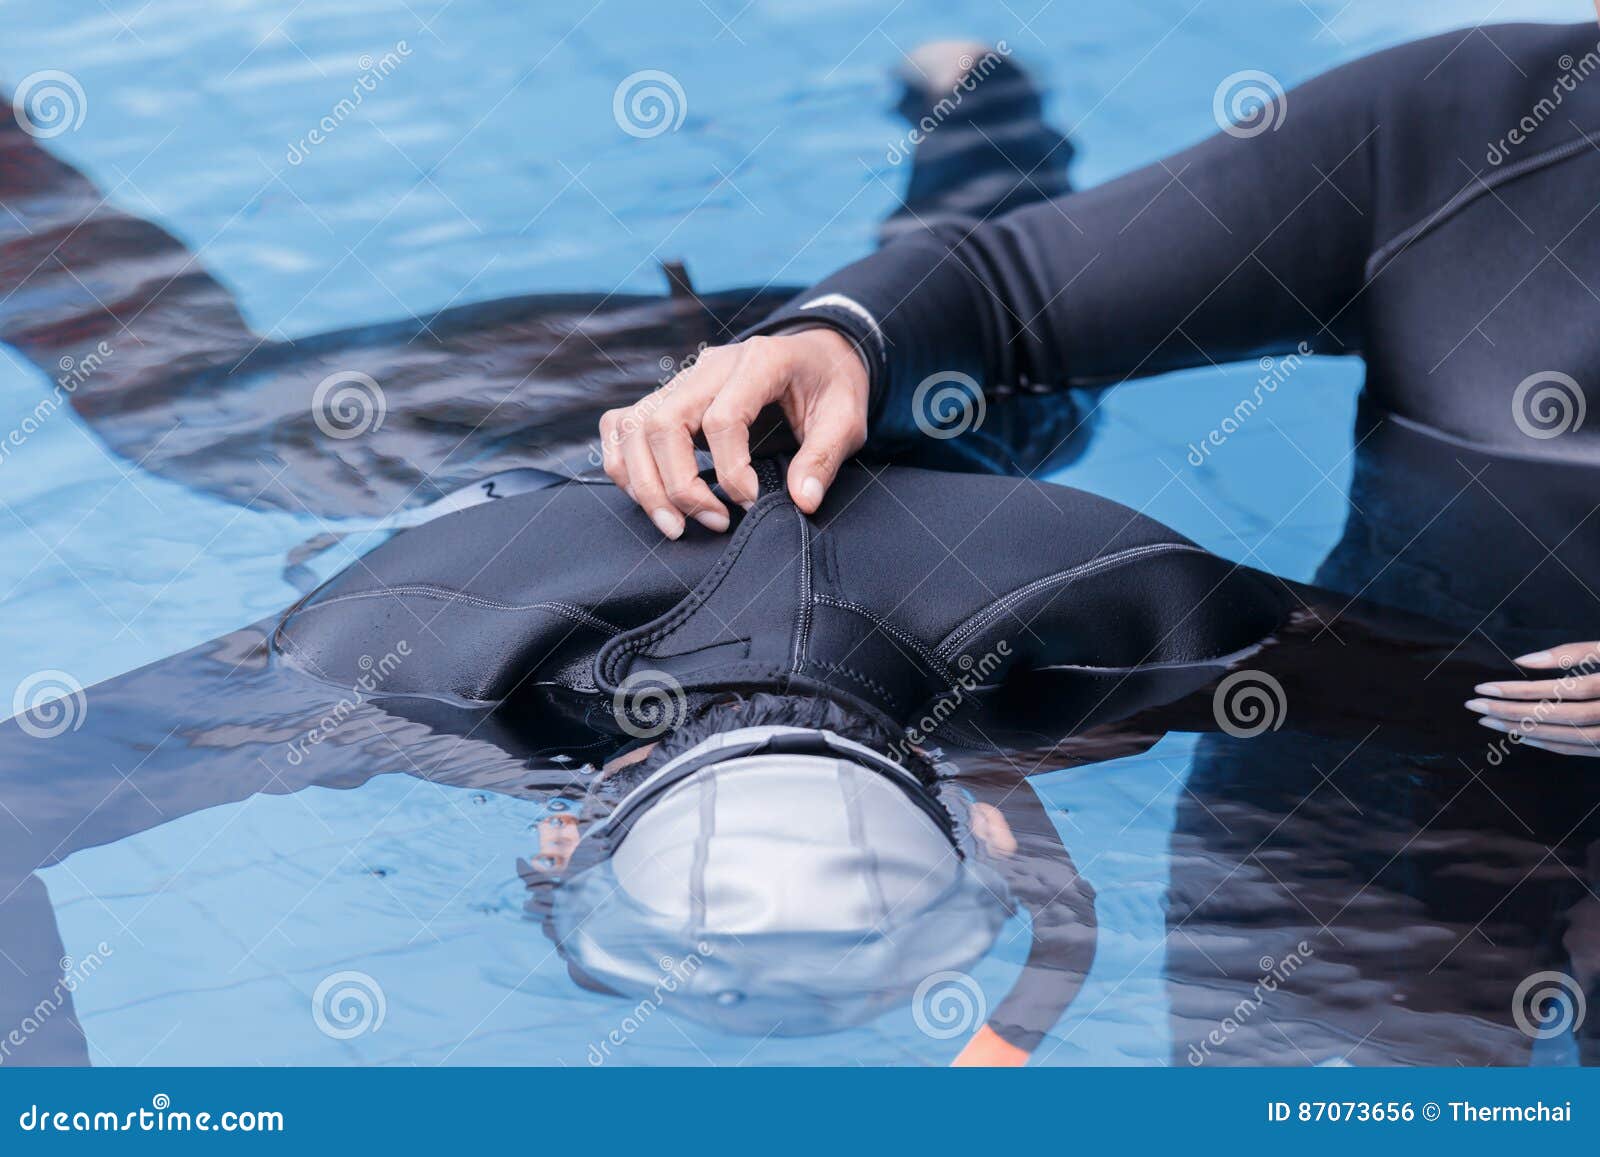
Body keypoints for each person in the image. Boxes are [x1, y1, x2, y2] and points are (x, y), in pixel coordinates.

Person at [599, 18, 1600, 747]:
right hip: (1383, 766)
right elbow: (1008, 292)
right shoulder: (1470, 133)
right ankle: (981, 125)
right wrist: (833, 341)